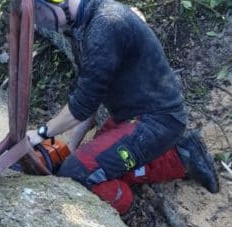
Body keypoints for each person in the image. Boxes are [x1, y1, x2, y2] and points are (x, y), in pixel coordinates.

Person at [28, 0, 219, 214]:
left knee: (76, 173)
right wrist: (72, 146)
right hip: (133, 118)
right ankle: (180, 156)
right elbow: (90, 98)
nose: (40, 20)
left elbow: (81, 105)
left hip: (156, 121)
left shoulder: (106, 24)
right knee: (89, 160)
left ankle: (126, 207)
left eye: (39, 11)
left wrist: (41, 133)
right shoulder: (84, 26)